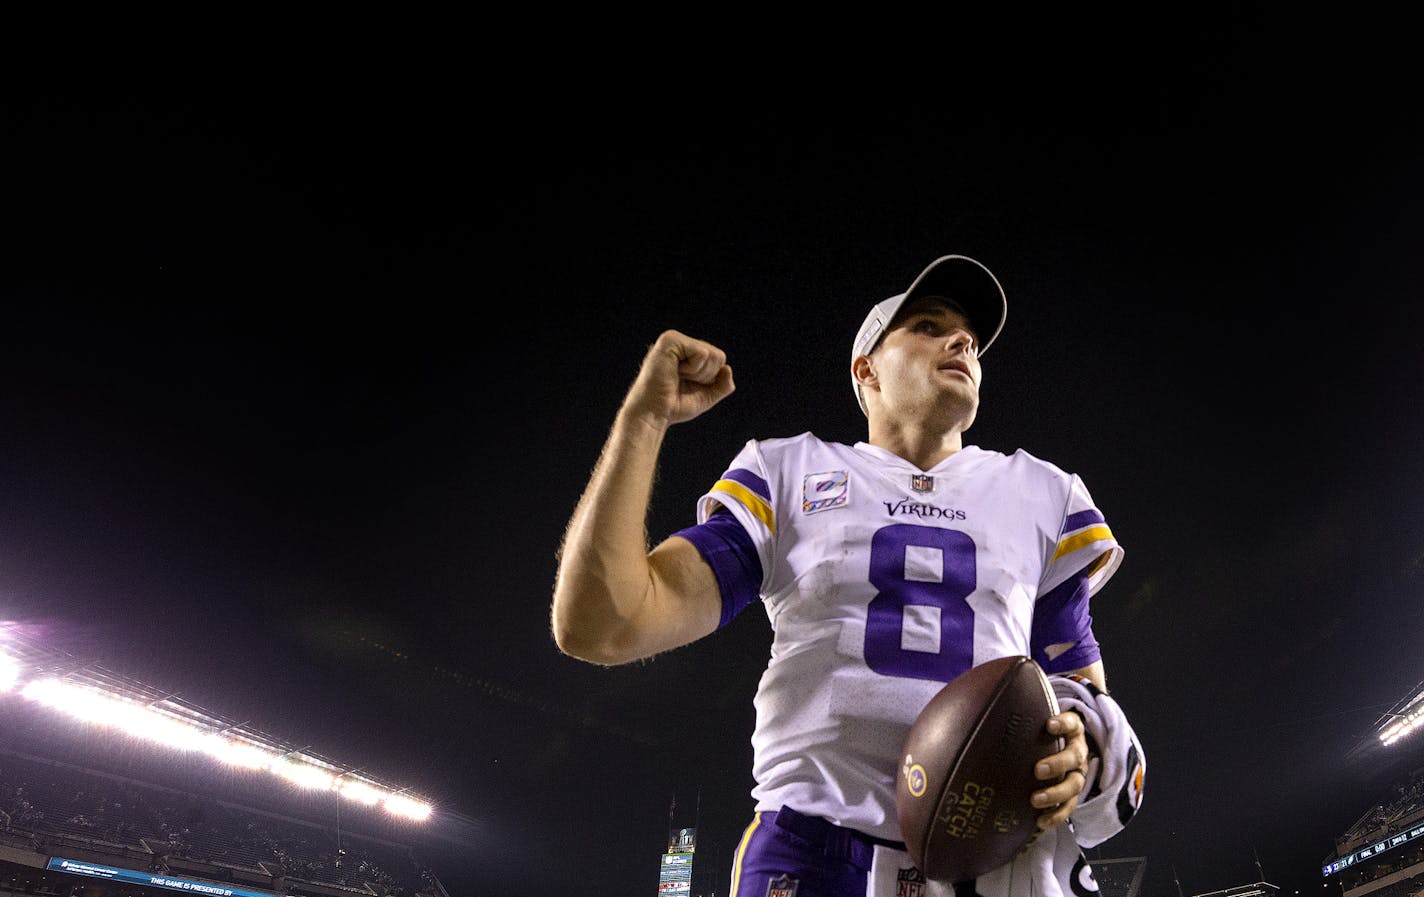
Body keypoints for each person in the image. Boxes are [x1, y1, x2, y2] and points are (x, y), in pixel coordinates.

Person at [551, 255, 1146, 897]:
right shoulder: (789, 473)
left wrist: (1079, 748)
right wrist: (643, 421)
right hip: (816, 851)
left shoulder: (1042, 492)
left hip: (990, 859)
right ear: (867, 370)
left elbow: (1077, 691)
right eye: (926, 326)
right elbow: (603, 625)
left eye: (970, 337)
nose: (962, 341)